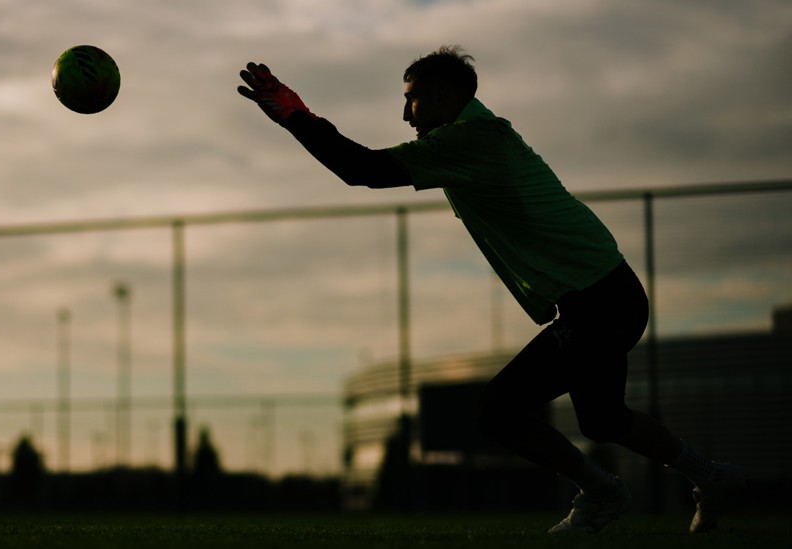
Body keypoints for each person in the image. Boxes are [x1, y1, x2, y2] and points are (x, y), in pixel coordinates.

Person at [237, 45, 746, 533]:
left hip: (598, 298)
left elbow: (362, 170)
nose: (406, 112)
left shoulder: (472, 140)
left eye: (410, 97)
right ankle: (709, 475)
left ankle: (604, 494)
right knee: (603, 419)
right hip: (605, 293)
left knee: (497, 410)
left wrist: (293, 114)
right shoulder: (477, 138)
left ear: (440, 95)